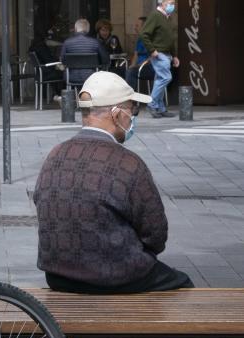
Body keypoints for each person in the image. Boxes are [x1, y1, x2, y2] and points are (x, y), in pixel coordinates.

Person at [33, 71, 193, 294]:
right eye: (132, 110)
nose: (134, 116)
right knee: (184, 285)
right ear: (117, 114)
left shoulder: (55, 154)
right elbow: (156, 234)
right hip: (116, 276)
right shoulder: (128, 163)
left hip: (58, 276)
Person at [140, 0, 179, 118]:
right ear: (162, 3)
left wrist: (174, 55)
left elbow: (170, 39)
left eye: (173, 3)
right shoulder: (155, 15)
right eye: (170, 2)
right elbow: (144, 34)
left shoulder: (166, 17)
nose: (172, 5)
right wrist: (152, 50)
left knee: (160, 80)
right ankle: (152, 104)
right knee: (166, 77)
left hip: (165, 53)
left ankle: (160, 107)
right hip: (159, 53)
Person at [60, 19, 109, 86]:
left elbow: (63, 60)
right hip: (92, 77)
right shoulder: (96, 42)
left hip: (71, 77)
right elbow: (105, 59)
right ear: (88, 29)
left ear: (76, 29)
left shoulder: (67, 42)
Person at [29, 31, 64, 98]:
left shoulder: (33, 48)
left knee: (57, 74)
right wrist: (58, 63)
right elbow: (49, 60)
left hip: (40, 74)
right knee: (65, 75)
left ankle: (56, 94)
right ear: (44, 39)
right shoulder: (42, 48)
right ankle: (61, 96)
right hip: (46, 74)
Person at [125, 17, 154, 91]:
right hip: (140, 67)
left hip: (151, 67)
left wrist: (139, 65)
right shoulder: (140, 39)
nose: (135, 28)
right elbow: (136, 54)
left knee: (131, 72)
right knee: (121, 70)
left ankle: (128, 98)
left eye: (137, 26)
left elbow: (153, 57)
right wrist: (133, 65)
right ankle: (120, 95)